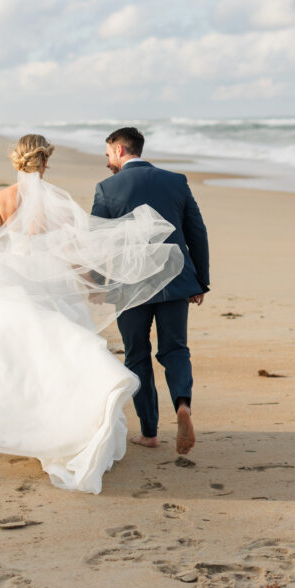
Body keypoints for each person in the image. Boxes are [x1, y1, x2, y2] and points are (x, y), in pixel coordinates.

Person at [0, 134, 184, 494]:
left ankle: (20, 427)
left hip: (10, 283)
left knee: (12, 361)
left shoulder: (2, 198)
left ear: (17, 161)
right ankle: (83, 408)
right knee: (61, 353)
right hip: (52, 284)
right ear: (45, 163)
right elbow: (75, 254)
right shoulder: (61, 204)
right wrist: (93, 284)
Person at [92, 127, 209, 456]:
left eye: (107, 155)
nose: (107, 162)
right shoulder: (176, 181)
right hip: (175, 281)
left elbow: (97, 241)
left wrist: (97, 283)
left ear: (118, 150)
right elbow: (196, 233)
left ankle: (149, 432)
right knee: (175, 350)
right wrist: (201, 281)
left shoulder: (107, 188)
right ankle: (183, 405)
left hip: (130, 286)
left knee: (137, 355)